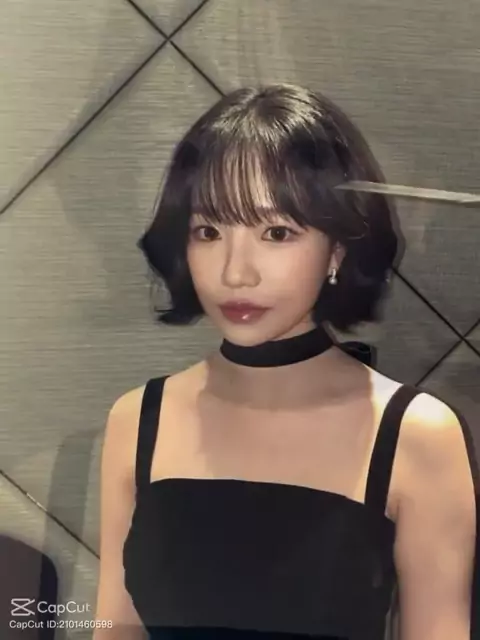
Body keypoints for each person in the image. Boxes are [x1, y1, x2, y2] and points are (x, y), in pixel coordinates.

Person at [94, 84, 478, 640]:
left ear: (337, 249)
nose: (235, 272)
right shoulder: (137, 421)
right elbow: (113, 628)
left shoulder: (416, 434)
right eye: (208, 231)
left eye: (276, 232)